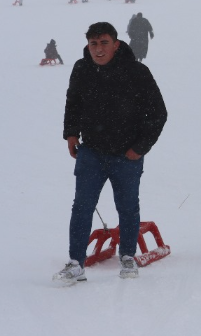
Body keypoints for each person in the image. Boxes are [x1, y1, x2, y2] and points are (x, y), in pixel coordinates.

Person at [54, 22, 168, 284]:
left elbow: (159, 114)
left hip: (126, 156)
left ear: (116, 44)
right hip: (91, 152)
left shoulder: (137, 72)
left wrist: (139, 148)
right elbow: (73, 102)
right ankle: (75, 264)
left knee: (127, 208)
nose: (98, 49)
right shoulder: (82, 69)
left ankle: (127, 257)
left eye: (104, 42)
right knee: (81, 207)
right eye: (93, 44)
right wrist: (71, 133)